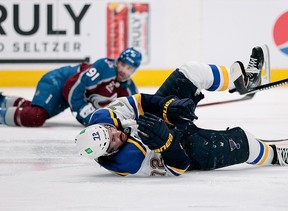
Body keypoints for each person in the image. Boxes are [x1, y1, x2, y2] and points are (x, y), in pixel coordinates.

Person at [75, 45, 288, 177]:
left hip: (161, 120)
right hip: (182, 147)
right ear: (109, 152)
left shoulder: (105, 116)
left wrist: (166, 107)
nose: (115, 134)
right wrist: (167, 143)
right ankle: (277, 156)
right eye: (111, 142)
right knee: (244, 143)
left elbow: (140, 101)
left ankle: (244, 82)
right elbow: (178, 167)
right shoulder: (130, 161)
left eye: (108, 131)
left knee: (190, 71)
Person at [0, 47, 142, 127]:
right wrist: (82, 111)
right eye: (123, 64)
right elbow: (72, 86)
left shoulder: (129, 89)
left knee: (36, 110)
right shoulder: (105, 67)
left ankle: (3, 100)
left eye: (129, 68)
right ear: (117, 62)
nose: (124, 70)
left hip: (65, 94)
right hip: (58, 82)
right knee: (36, 116)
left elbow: (133, 111)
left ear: (134, 70)